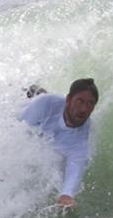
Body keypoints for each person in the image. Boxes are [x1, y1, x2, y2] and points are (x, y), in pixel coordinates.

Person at [19, 78, 99, 208]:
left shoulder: (81, 137)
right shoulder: (45, 103)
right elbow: (18, 129)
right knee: (34, 95)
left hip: (48, 126)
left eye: (90, 104)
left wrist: (67, 195)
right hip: (23, 108)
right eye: (80, 101)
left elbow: (76, 165)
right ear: (68, 99)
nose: (84, 109)